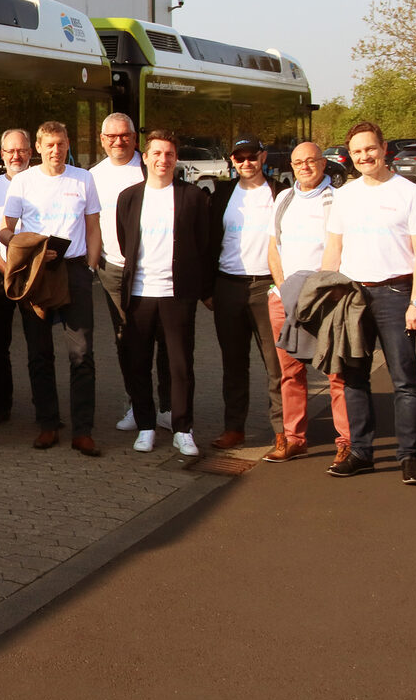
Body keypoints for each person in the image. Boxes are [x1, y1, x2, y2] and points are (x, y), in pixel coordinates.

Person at [320, 122, 416, 483]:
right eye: (357, 152)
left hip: (396, 294)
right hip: (352, 296)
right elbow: (334, 247)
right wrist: (325, 294)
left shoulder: (410, 193)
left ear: (384, 148)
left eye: (370, 149)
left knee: (404, 380)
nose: (364, 156)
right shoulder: (345, 195)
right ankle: (361, 452)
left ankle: (410, 456)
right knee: (354, 377)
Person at [1, 121, 102, 455]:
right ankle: (48, 424)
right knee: (39, 353)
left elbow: (93, 226)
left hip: (74, 270)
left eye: (61, 144)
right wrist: (31, 248)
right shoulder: (23, 181)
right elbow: (5, 231)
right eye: (49, 145)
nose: (55, 150)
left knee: (82, 353)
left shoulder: (83, 178)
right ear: (39, 148)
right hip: (37, 273)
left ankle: (83, 430)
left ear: (68, 144)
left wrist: (90, 267)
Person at [112, 131, 210, 458]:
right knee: (138, 363)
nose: (162, 160)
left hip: (176, 295)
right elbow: (125, 242)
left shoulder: (192, 197)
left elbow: (202, 243)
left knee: (180, 366)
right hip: (140, 294)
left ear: (176, 158)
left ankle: (182, 429)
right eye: (156, 153)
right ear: (145, 157)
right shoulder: (129, 197)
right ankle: (146, 426)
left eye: (168, 154)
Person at [265, 142, 349, 463]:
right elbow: (274, 248)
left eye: (311, 161)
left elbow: (341, 250)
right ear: (292, 166)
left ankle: (346, 441)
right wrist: (283, 289)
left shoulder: (338, 201)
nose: (304, 166)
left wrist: (321, 293)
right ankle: (294, 438)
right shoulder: (283, 199)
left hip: (325, 299)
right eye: (298, 162)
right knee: (290, 373)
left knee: (336, 373)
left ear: (323, 164)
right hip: (284, 299)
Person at [91, 112, 168, 434]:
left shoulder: (149, 167)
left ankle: (167, 408)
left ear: (135, 139)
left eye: (124, 136)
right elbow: (90, 223)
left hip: (155, 271)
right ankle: (137, 404)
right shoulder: (92, 176)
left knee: (165, 341)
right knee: (127, 341)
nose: (118, 141)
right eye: (111, 136)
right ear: (102, 140)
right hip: (113, 270)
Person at [204, 136, 282, 451]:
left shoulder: (280, 193)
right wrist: (207, 288)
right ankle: (234, 428)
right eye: (240, 158)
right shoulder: (222, 194)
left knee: (276, 364)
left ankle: (284, 430)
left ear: (263, 157)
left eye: (252, 156)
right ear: (232, 161)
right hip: (228, 286)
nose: (246, 163)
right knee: (233, 364)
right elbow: (209, 240)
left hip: (268, 286)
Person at [0, 129, 33, 425]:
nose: (16, 156)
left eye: (21, 150)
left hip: (35, 275)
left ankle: (45, 410)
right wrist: (2, 266)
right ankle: (1, 405)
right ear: (1, 154)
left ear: (30, 152)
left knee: (39, 346)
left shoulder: (40, 184)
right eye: (10, 151)